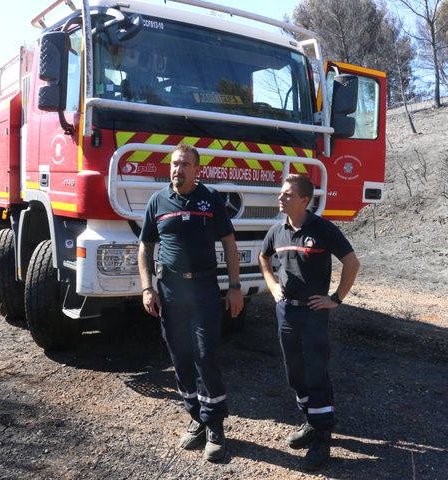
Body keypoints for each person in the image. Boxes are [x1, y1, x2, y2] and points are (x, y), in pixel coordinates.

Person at [138, 143, 244, 462]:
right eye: (174, 163)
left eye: (185, 164)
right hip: (170, 291)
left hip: (204, 289)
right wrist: (147, 288)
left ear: (197, 169)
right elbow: (145, 247)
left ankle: (215, 426)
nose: (177, 169)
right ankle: (197, 417)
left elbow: (229, 244)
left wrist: (235, 287)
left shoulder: (210, 199)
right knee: (180, 356)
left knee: (205, 354)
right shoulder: (158, 201)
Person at [258, 174, 360, 471]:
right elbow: (264, 259)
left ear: (305, 200)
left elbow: (352, 262)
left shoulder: (323, 229)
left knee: (316, 373)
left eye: (287, 194)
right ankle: (310, 422)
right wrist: (272, 285)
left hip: (314, 314)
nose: (281, 198)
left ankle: (323, 438)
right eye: (281, 193)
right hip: (286, 312)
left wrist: (336, 299)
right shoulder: (277, 230)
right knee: (295, 372)